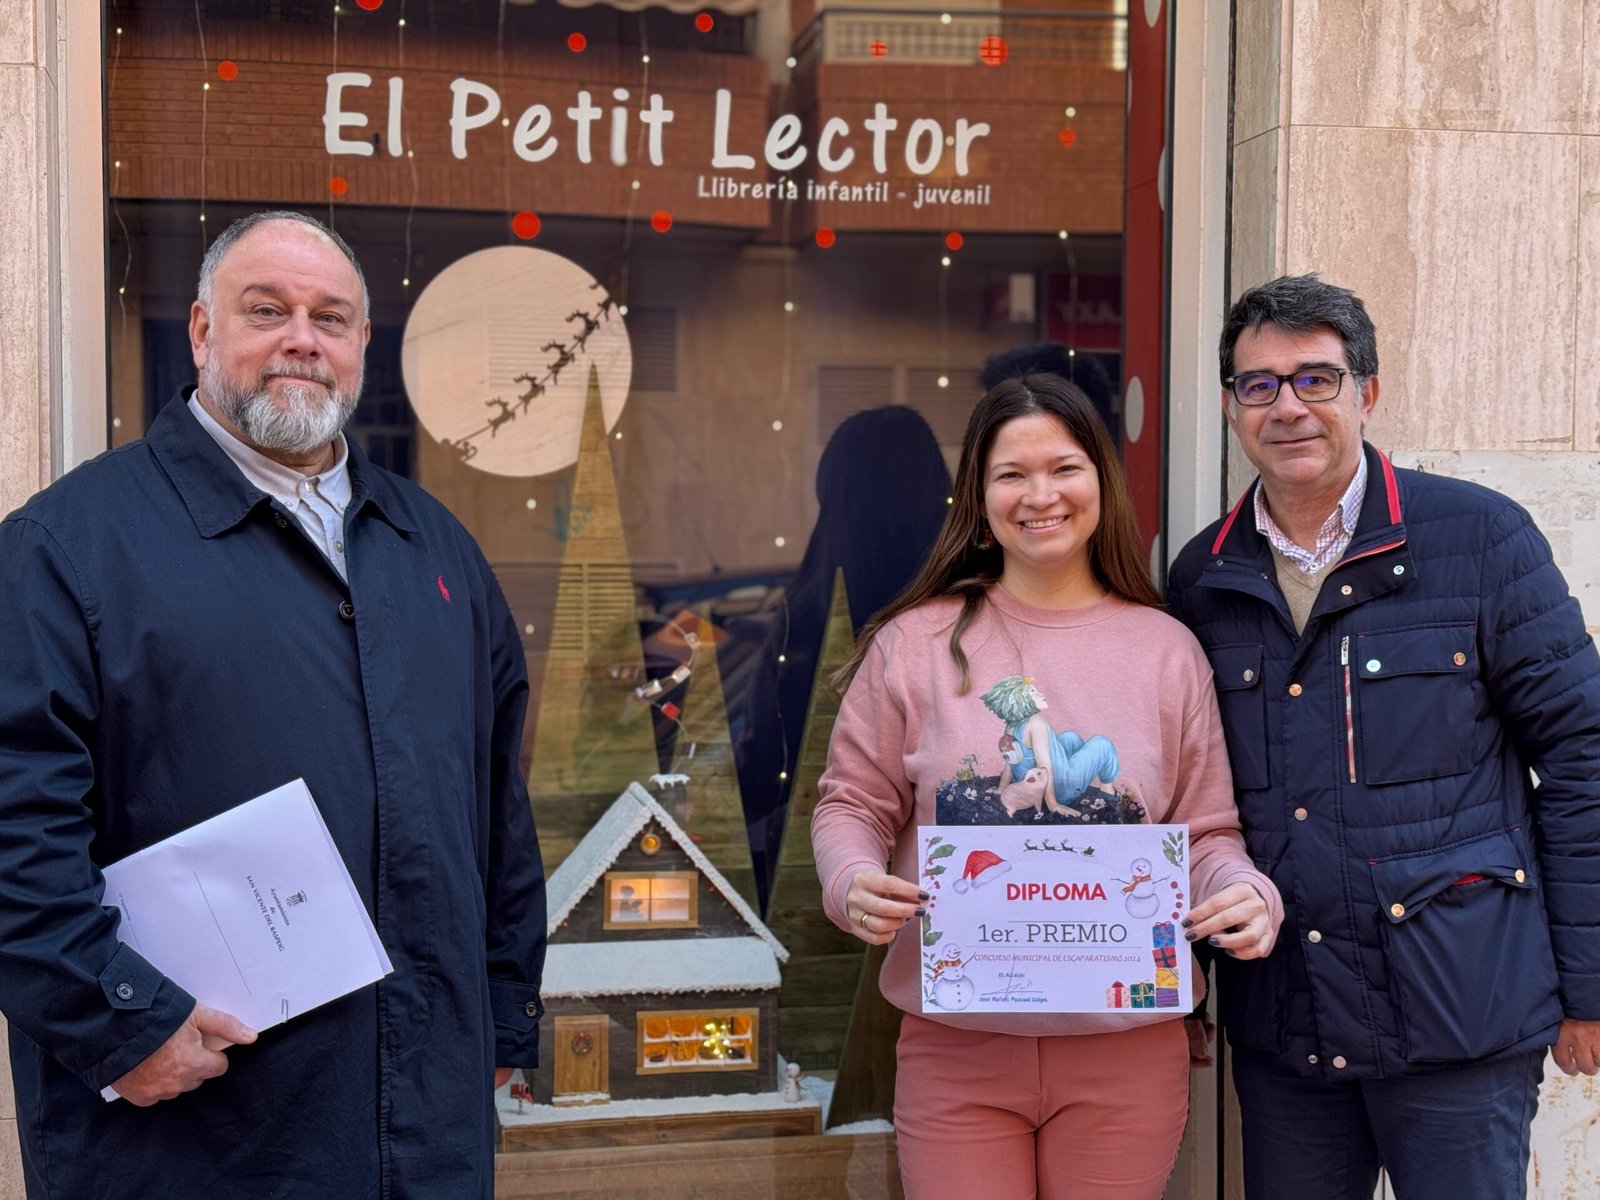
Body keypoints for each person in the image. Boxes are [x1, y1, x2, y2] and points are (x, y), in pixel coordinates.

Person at [0, 211, 546, 1199]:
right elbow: (12, 828)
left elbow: (497, 815)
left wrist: (506, 1019)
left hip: (428, 1128)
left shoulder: (438, 551)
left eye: (329, 318)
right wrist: (117, 1019)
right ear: (202, 331)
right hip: (191, 1136)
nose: (302, 338)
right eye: (267, 310)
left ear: (361, 345)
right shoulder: (69, 547)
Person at [1166, 274, 1600, 1200]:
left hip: (1462, 1016)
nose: (1288, 407)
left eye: (1316, 379)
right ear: (1232, 407)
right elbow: (1186, 802)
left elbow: (1583, 758)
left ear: (1367, 391)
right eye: (1259, 384)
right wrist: (1179, 983)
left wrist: (1589, 986)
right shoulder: (1202, 577)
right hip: (1288, 1024)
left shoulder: (1480, 539)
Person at [811, 374, 1282, 1199]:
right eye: (1011, 474)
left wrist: (1243, 892)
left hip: (1127, 1050)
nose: (1041, 496)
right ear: (978, 496)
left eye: (1064, 468)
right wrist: (850, 879)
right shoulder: (914, 646)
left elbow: (1205, 832)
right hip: (956, 1047)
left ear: (1101, 479)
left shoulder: (1166, 651)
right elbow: (852, 802)